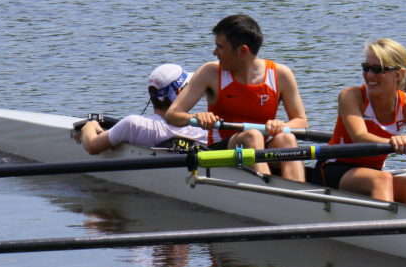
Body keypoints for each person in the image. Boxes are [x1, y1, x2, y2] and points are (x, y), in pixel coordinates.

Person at [166, 14, 308, 181]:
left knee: (287, 137)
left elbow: (301, 121)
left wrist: (282, 125)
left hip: (262, 146)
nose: (215, 53)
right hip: (222, 149)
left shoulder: (280, 74)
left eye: (220, 47)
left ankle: (300, 194)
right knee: (252, 135)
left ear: (242, 51)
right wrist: (195, 117)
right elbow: (172, 115)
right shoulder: (210, 73)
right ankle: (272, 194)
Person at [311, 38, 406, 207]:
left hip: (373, 174)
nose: (369, 75)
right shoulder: (351, 96)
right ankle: (385, 230)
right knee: (382, 179)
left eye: (377, 70)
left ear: (399, 75)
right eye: (366, 68)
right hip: (333, 168)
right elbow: (360, 137)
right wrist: (393, 141)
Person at [78, 63, 208, 154]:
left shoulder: (136, 126)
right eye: (190, 88)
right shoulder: (204, 125)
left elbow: (92, 146)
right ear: (179, 92)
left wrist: (90, 125)